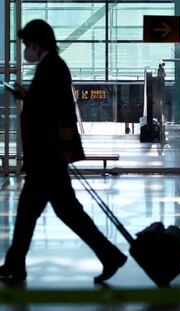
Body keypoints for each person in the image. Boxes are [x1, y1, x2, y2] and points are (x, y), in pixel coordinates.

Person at [0, 19, 127, 283]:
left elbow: (64, 111)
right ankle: (108, 255)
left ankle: (16, 265)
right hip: (47, 156)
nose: (26, 49)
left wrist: (67, 147)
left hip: (48, 156)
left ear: (38, 43)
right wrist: (28, 96)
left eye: (27, 44)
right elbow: (47, 104)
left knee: (38, 213)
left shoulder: (53, 67)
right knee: (56, 212)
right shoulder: (50, 66)